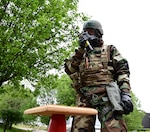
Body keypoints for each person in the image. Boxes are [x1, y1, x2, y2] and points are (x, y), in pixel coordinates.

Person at [64, 20, 133, 132]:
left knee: (114, 128)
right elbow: (70, 69)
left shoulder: (110, 50)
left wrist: (125, 93)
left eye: (90, 32)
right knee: (80, 129)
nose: (87, 35)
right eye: (85, 32)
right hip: (85, 97)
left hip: (107, 96)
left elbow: (123, 71)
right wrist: (81, 49)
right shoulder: (81, 54)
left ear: (98, 33)